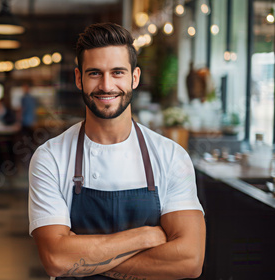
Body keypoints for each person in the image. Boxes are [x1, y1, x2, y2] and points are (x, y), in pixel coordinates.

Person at [29, 22, 205, 280]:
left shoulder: (171, 156)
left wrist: (82, 259)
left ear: (134, 77)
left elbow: (190, 260)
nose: (106, 85)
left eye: (118, 73)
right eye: (94, 73)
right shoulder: (50, 158)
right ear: (79, 78)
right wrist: (146, 236)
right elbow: (56, 260)